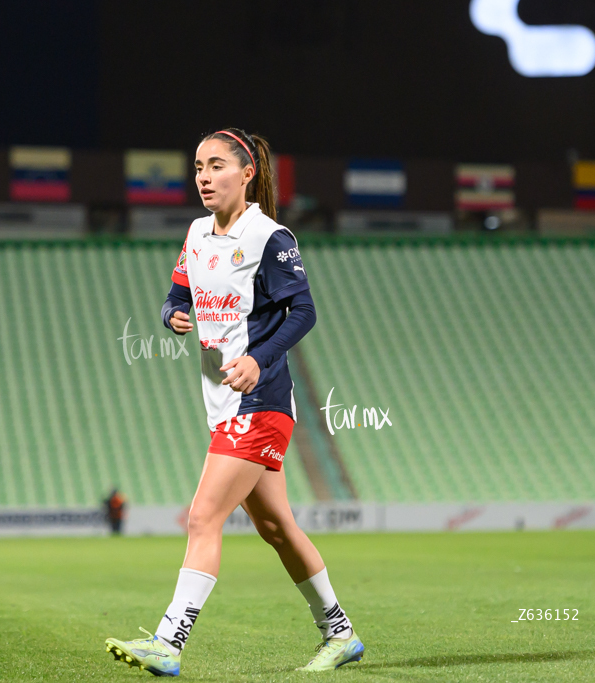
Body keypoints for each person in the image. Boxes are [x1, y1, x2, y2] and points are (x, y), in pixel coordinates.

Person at [105, 129, 363, 675]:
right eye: (198, 166)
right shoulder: (197, 233)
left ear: (247, 173)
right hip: (223, 406)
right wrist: (170, 315)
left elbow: (304, 311)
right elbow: (178, 293)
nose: (203, 176)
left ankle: (167, 642)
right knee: (276, 528)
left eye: (216, 165)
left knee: (203, 518)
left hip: (261, 403)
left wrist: (259, 359)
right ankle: (340, 634)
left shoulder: (270, 237)